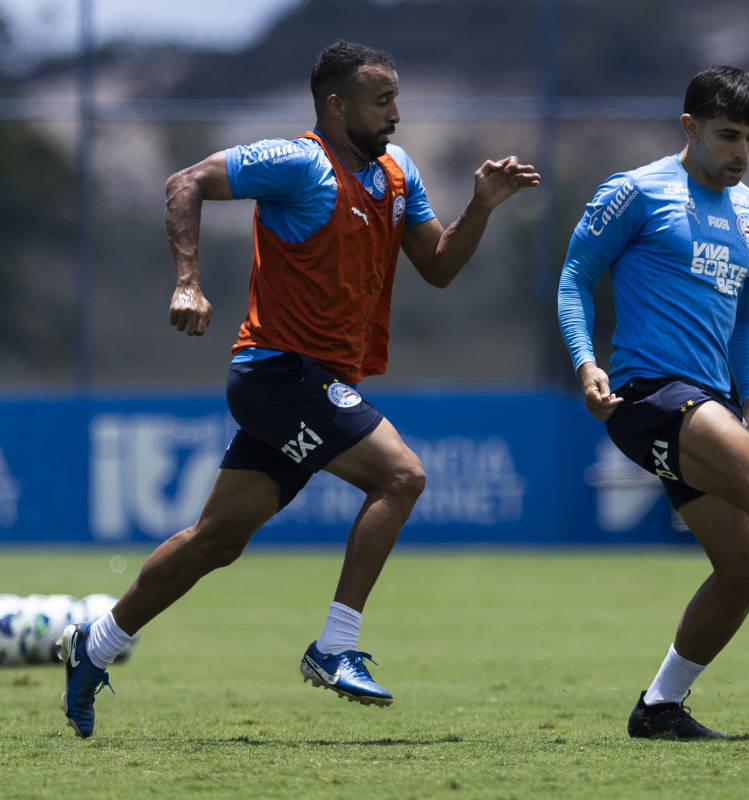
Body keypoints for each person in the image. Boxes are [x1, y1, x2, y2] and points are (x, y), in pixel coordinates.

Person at [58, 40, 539, 739]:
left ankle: (94, 644)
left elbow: (437, 265)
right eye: (383, 102)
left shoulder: (397, 171)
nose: (398, 115)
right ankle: (335, 646)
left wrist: (483, 206)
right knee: (401, 476)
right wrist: (188, 282)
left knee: (215, 540)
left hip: (311, 383)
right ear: (337, 107)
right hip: (278, 375)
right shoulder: (298, 163)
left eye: (398, 99)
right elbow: (184, 182)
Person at [557, 65, 749, 739]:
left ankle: (658, 708)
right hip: (648, 395)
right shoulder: (635, 192)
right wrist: (585, 361)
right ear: (689, 127)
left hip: (710, 401)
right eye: (727, 135)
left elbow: (747, 318)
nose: (741, 152)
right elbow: (575, 277)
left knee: (743, 569)